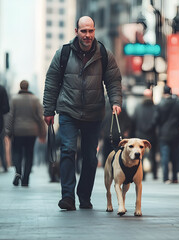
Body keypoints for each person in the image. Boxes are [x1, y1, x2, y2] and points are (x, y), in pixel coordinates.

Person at [43, 16, 122, 210]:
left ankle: (84, 196)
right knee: (68, 150)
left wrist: (115, 102)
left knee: (90, 157)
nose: (87, 35)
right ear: (76, 31)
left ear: (94, 31)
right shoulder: (63, 53)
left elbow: (113, 80)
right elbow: (52, 82)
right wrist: (48, 109)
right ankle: (68, 197)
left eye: (91, 31)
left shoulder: (104, 53)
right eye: (83, 31)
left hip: (94, 113)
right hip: (68, 110)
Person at [5, 80, 46, 187]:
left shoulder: (14, 99)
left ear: (20, 87)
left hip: (17, 131)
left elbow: (10, 116)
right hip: (32, 132)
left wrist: (8, 131)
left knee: (17, 152)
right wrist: (43, 133)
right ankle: (26, 179)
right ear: (28, 87)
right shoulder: (35, 100)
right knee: (29, 154)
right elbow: (40, 118)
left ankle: (18, 171)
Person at [152, 85, 179, 184]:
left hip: (164, 134)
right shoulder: (178, 103)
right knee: (175, 156)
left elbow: (156, 120)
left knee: (165, 156)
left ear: (163, 92)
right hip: (176, 133)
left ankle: (166, 177)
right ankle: (175, 177)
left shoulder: (160, 104)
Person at [133, 88, 158, 180]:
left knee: (140, 155)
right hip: (152, 135)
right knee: (153, 154)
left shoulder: (138, 107)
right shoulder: (155, 107)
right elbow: (157, 121)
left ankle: (142, 174)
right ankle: (155, 174)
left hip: (140, 135)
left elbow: (134, 120)